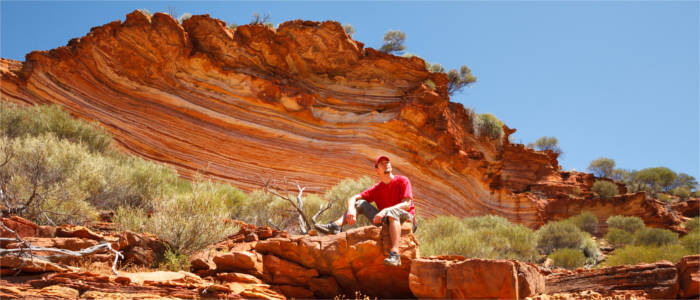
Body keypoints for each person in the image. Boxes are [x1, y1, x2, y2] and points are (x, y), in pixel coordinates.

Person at [316, 155, 416, 267]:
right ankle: (335, 226)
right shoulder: (377, 188)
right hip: (387, 219)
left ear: (391, 166)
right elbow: (353, 198)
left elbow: (407, 204)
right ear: (377, 170)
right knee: (360, 204)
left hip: (406, 218)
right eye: (382, 164)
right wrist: (350, 210)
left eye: (387, 162)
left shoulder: (402, 180)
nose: (386, 164)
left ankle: (395, 254)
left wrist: (386, 210)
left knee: (391, 212)